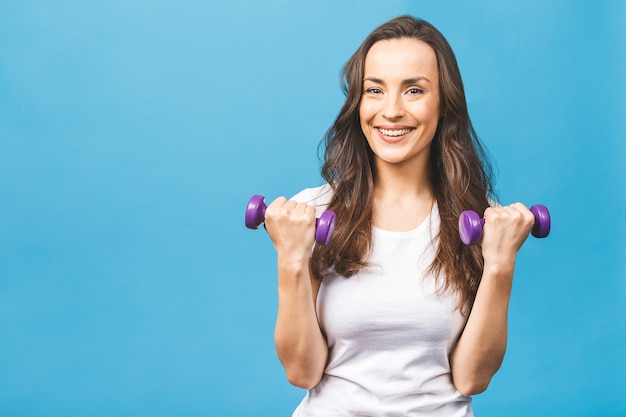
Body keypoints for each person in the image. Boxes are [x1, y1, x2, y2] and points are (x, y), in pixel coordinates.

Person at [263, 15, 536, 416]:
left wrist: (500, 264)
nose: (391, 111)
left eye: (413, 90)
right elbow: (302, 373)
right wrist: (290, 259)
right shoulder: (316, 213)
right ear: (359, 103)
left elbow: (471, 379)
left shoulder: (480, 223)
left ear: (444, 103)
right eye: (375, 90)